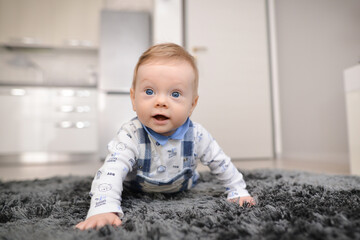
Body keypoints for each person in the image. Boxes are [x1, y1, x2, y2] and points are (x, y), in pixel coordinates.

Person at [76, 43, 255, 230]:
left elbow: (221, 162)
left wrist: (237, 191)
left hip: (182, 187)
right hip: (137, 190)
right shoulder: (131, 134)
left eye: (175, 94)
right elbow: (112, 170)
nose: (161, 102)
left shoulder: (197, 135)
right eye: (149, 92)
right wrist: (103, 208)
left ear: (192, 105)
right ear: (133, 99)